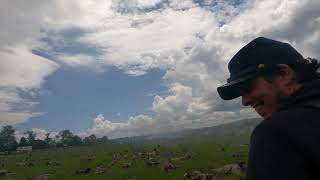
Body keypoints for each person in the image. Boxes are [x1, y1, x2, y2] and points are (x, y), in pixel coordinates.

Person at [217, 37, 320, 180]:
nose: (244, 101)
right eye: (240, 94)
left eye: (247, 87)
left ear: (284, 74)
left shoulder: (275, 132)